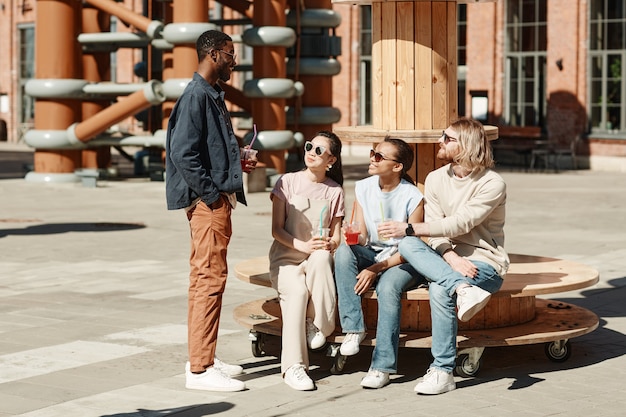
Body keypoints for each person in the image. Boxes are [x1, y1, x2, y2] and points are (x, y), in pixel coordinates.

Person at [380, 117, 509, 395]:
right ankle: (462, 289)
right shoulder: (436, 178)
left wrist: (410, 227)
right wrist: (450, 257)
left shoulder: (492, 183)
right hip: (445, 259)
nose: (440, 141)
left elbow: (460, 224)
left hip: (484, 263)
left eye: (447, 138)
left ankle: (442, 370)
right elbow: (437, 233)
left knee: (439, 288)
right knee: (408, 245)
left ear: (467, 145)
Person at [165, 30, 255, 392]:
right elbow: (182, 153)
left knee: (207, 280)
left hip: (213, 198)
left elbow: (206, 148)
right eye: (231, 54)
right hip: (208, 205)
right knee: (209, 281)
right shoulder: (197, 95)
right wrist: (212, 195)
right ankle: (200, 371)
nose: (235, 60)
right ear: (215, 54)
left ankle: (203, 357)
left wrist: (235, 162)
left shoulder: (210, 94)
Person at [334, 137, 424, 389]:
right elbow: (361, 234)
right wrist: (352, 236)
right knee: (344, 252)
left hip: (402, 261)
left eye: (379, 156)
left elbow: (414, 249)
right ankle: (353, 328)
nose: (372, 159)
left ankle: (381, 366)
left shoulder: (412, 196)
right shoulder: (363, 187)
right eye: (373, 153)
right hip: (372, 253)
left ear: (397, 167)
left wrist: (375, 269)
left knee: (387, 288)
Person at [268, 131, 345, 391]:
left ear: (331, 160)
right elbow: (276, 230)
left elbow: (336, 236)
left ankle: (317, 325)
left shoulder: (335, 191)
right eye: (310, 146)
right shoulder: (287, 182)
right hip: (286, 256)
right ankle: (294, 367)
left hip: (316, 258)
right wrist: (301, 245)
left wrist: (330, 244)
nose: (311, 152)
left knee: (323, 258)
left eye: (319, 150)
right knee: (298, 293)